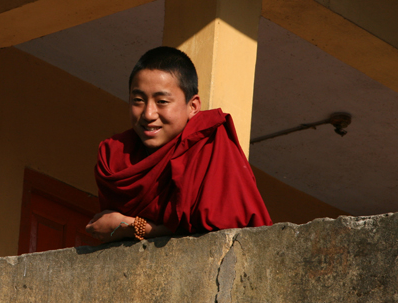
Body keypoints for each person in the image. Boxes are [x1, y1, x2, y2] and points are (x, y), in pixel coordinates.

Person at [86, 46, 272, 243]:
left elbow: (222, 232)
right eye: (138, 100)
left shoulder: (209, 144)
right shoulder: (114, 155)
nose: (148, 114)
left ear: (193, 106)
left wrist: (129, 226)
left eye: (162, 101)